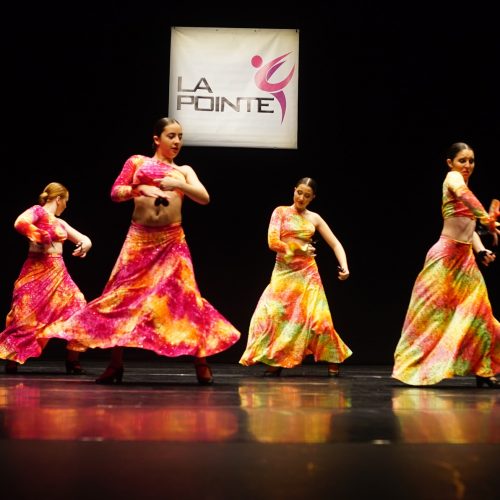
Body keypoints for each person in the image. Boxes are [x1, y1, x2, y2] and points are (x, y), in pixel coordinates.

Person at [41, 117, 241, 385]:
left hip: (171, 241)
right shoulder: (137, 162)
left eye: (180, 137)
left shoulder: (183, 170)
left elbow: (204, 197)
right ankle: (115, 364)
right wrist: (140, 188)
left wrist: (179, 185)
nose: (177, 141)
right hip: (139, 240)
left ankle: (201, 363)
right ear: (157, 139)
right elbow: (115, 192)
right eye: (171, 136)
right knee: (121, 297)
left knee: (187, 298)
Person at [392, 142, 500, 388]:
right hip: (445, 257)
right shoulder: (453, 178)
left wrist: (481, 250)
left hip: (466, 261)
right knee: (429, 314)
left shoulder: (466, 188)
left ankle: (484, 370)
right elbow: (465, 197)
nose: (468, 165)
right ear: (450, 163)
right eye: (463, 160)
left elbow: (469, 227)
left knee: (482, 314)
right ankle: (411, 366)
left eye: (471, 161)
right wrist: (487, 219)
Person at [239, 177, 353, 377]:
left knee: (319, 318)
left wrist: (345, 267)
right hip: (283, 272)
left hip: (308, 273)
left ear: (312, 198)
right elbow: (273, 243)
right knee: (273, 315)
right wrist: (299, 248)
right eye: (299, 193)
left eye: (306, 195)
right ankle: (276, 359)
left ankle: (333, 357)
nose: (301, 198)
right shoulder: (280, 212)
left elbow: (335, 243)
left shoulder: (315, 218)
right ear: (294, 191)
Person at [0, 182, 92, 374]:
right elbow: (20, 223)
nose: (66, 205)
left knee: (78, 308)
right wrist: (39, 234)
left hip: (58, 274)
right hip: (35, 271)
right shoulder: (38, 211)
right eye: (66, 201)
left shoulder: (61, 223)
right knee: (24, 316)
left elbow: (84, 238)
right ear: (58, 199)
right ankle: (12, 360)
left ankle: (72, 361)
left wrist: (85, 245)